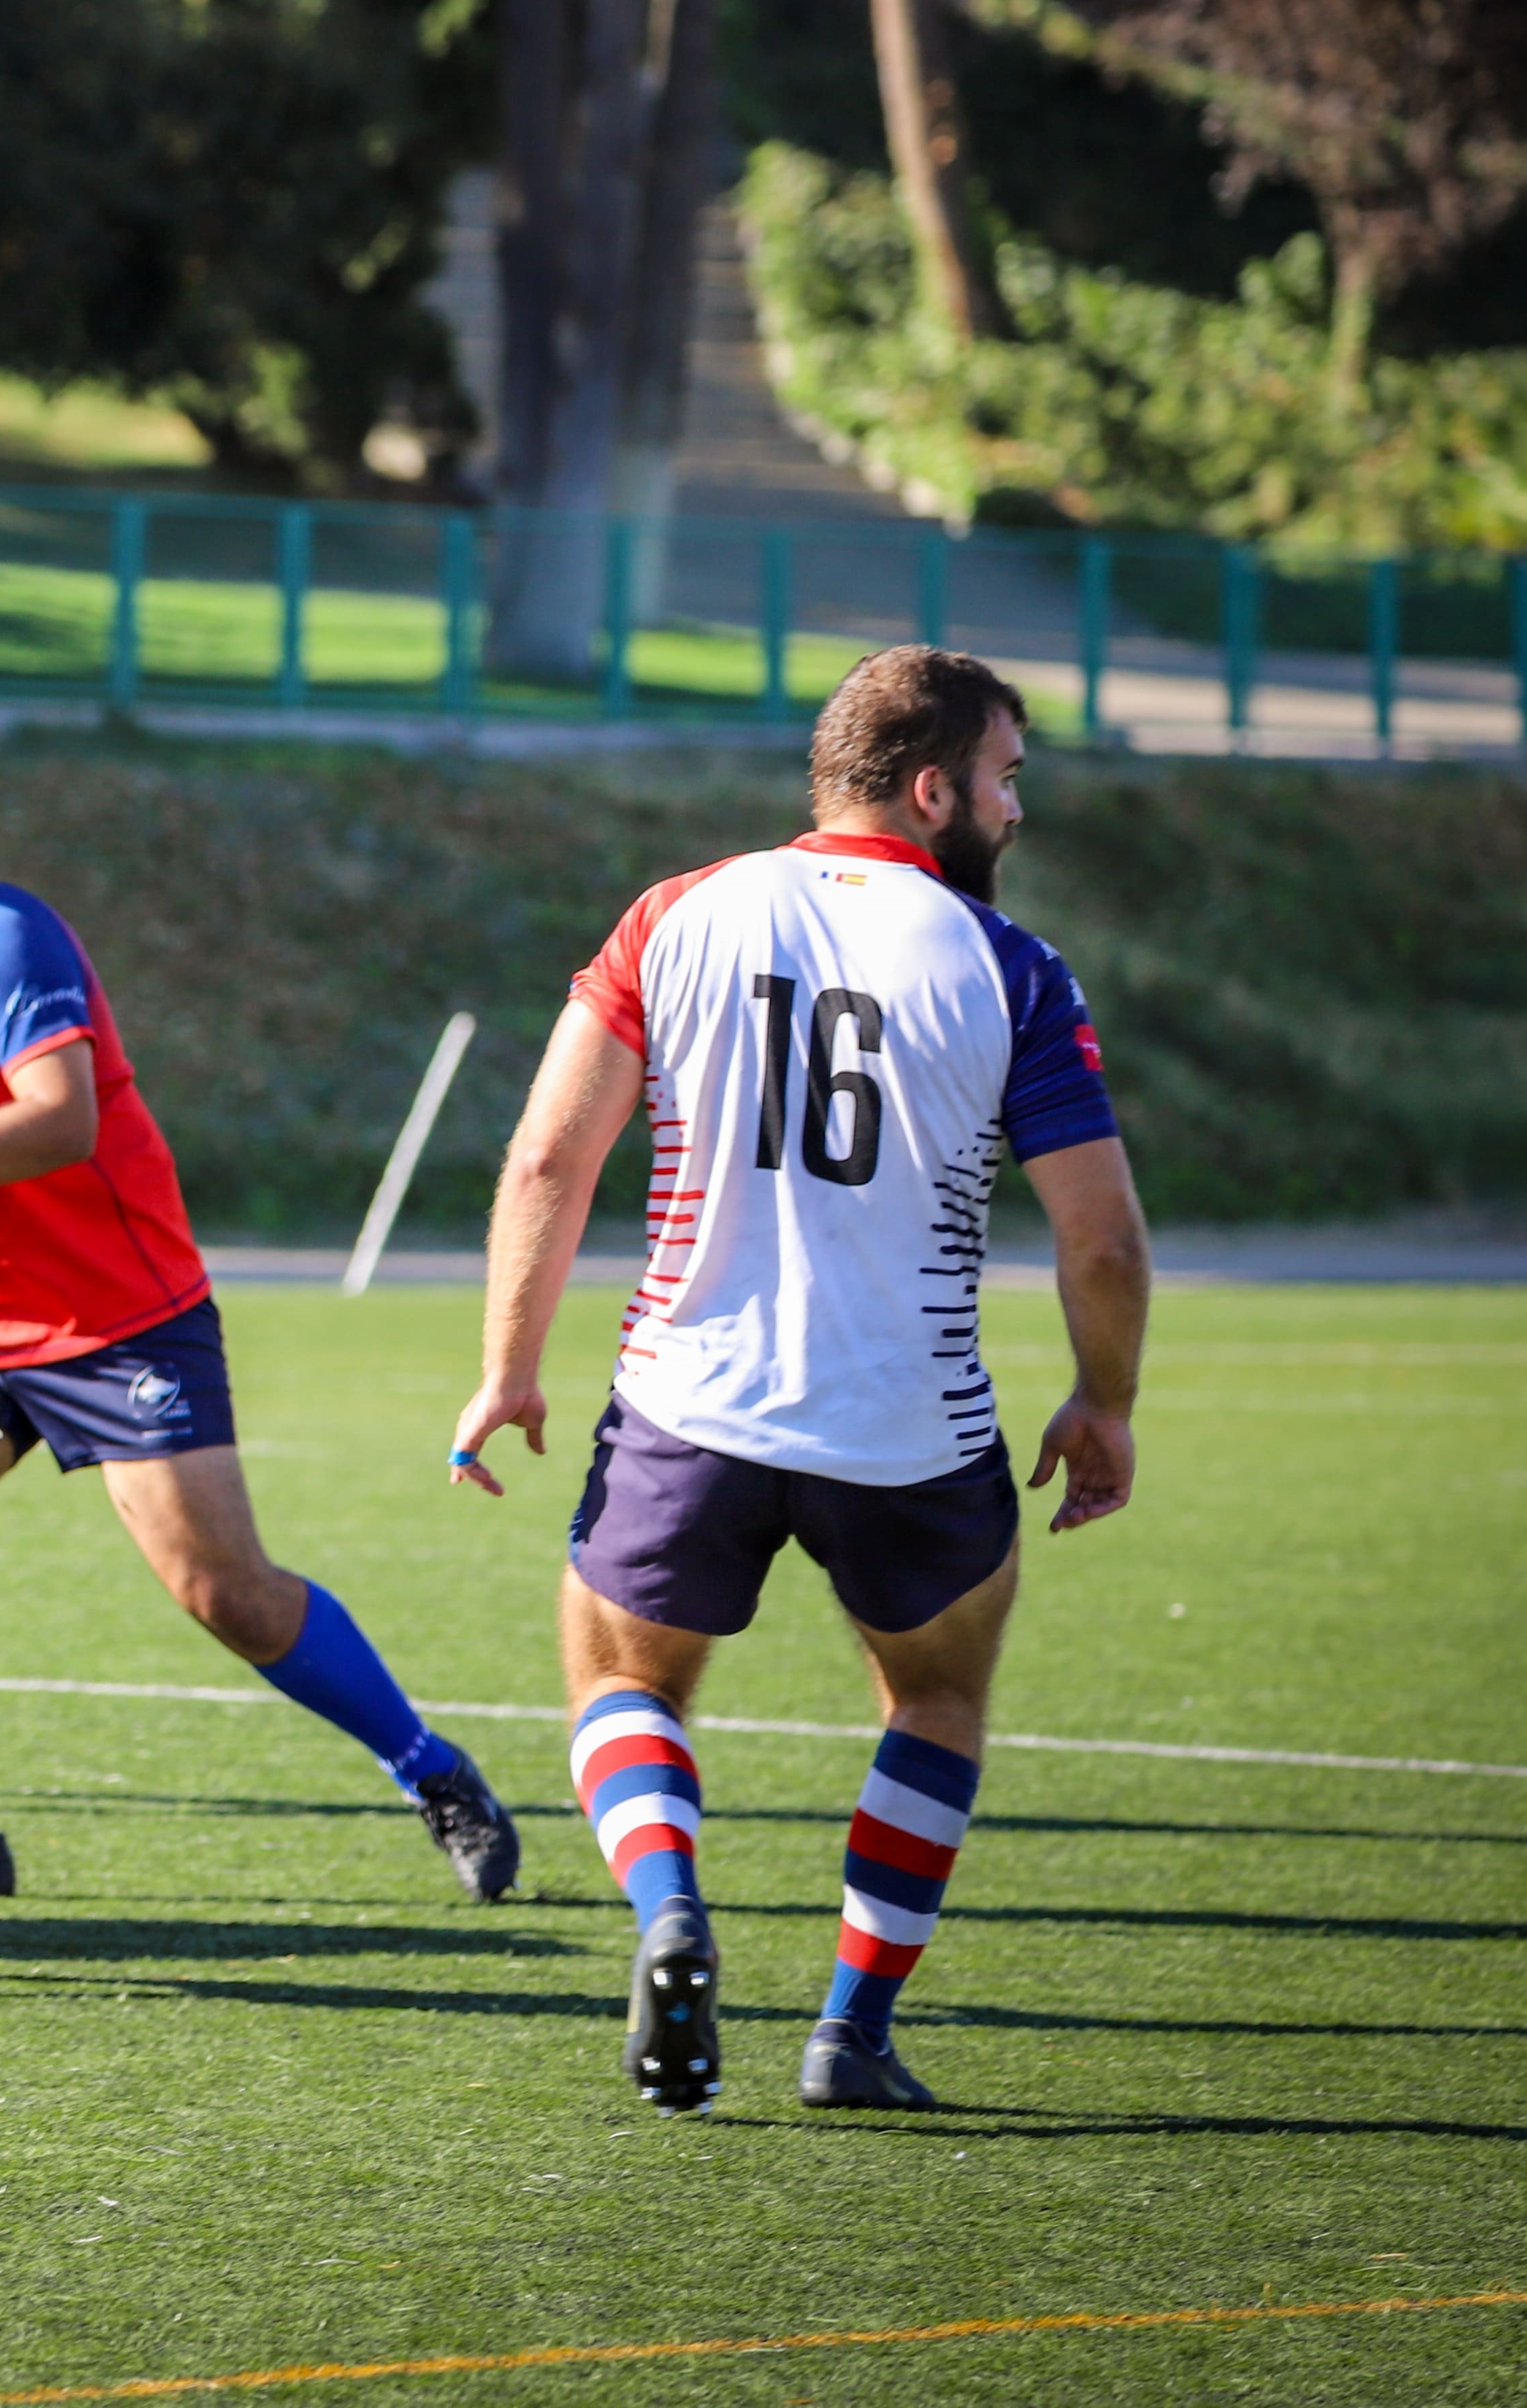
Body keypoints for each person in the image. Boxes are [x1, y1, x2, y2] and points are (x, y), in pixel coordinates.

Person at [446, 646, 1150, 2115]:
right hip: (913, 1421)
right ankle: (852, 2030)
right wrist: (1105, 1401)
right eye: (1009, 779)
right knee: (937, 1700)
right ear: (934, 787)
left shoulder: (674, 913)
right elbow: (1101, 1237)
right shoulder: (1011, 966)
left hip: (688, 1402)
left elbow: (545, 1157)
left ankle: (667, 1913)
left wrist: (510, 1365)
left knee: (625, 1678)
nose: (1017, 811)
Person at [0, 719, 518, 1907]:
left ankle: (434, 1773)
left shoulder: (3, 939)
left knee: (227, 1594)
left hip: (114, 1320)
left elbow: (60, 1118)